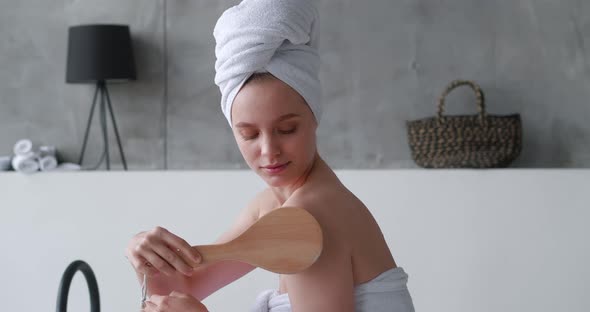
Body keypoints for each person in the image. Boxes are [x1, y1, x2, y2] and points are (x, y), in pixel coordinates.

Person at [125, 0, 415, 311]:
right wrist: (146, 258)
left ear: (315, 117)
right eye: (248, 134)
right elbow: (185, 285)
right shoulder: (272, 207)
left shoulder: (309, 217)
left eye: (287, 129)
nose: (268, 151)